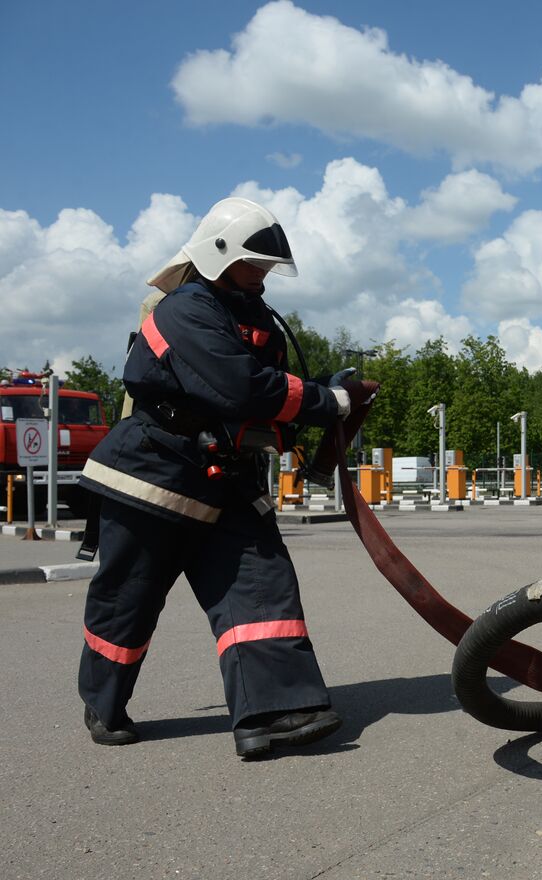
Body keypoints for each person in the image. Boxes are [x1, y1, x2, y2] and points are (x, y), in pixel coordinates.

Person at [77, 197, 376, 759]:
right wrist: (327, 401)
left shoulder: (253, 315)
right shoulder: (184, 310)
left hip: (225, 475)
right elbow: (239, 387)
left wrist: (323, 395)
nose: (262, 275)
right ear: (218, 256)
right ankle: (103, 702)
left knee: (261, 583)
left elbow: (271, 391)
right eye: (253, 263)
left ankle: (272, 711)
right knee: (128, 600)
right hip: (153, 475)